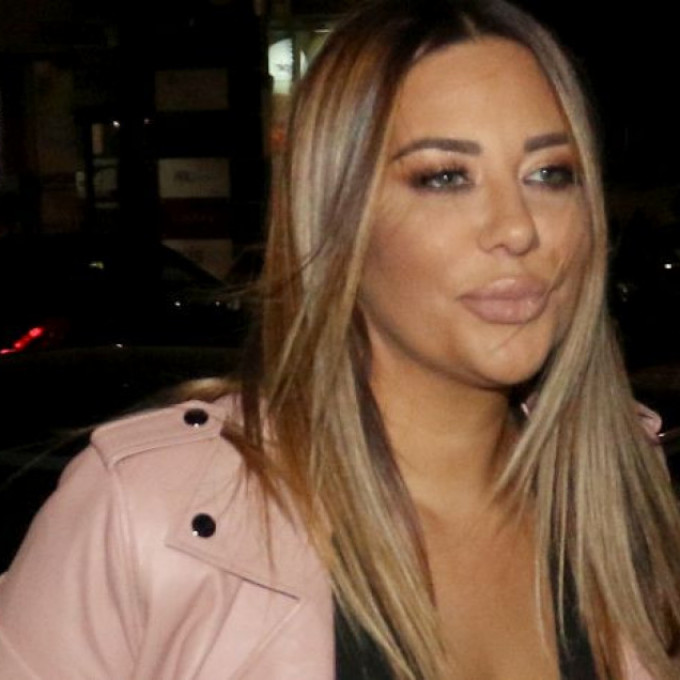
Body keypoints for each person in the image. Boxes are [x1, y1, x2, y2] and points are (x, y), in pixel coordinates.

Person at [1, 1, 679, 678]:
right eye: (445, 177)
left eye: (550, 174)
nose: (518, 227)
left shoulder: (631, 501)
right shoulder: (149, 517)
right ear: (338, 216)